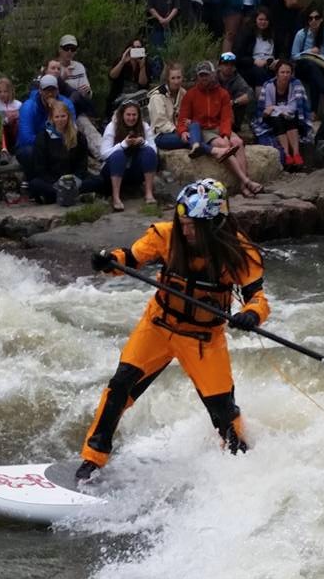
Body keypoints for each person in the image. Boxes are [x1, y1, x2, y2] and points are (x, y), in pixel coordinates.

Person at [75, 177, 271, 481]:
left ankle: (243, 468)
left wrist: (251, 315)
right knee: (120, 387)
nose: (186, 229)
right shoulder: (166, 235)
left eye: (193, 224)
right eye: (183, 222)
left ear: (215, 224)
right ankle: (93, 460)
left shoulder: (239, 252)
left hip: (203, 339)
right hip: (158, 325)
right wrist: (108, 260)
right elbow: (130, 259)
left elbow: (257, 298)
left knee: (223, 411)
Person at [176, 60, 263, 197]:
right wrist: (183, 131)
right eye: (201, 75)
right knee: (223, 145)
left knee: (238, 143)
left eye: (206, 75)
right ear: (197, 77)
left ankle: (242, 185)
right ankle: (246, 181)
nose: (204, 78)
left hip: (219, 126)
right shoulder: (191, 94)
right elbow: (182, 118)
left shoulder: (222, 93)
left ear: (212, 74)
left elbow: (226, 118)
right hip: (204, 129)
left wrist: (225, 134)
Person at [31, 100, 102, 205]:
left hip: (73, 179)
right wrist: (57, 182)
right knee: (34, 184)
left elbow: (82, 163)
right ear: (52, 118)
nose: (60, 120)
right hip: (53, 181)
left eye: (63, 116)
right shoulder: (43, 137)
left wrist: (75, 180)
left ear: (68, 116)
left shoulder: (78, 136)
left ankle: (65, 194)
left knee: (99, 180)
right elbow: (40, 167)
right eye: (57, 117)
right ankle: (67, 194)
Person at [252, 58, 312, 170]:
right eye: (282, 72)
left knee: (290, 119)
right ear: (277, 73)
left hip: (288, 116)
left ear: (291, 73)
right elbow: (267, 108)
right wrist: (278, 109)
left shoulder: (295, 85)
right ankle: (287, 154)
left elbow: (293, 107)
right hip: (272, 118)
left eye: (288, 72)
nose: (285, 75)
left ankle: (296, 154)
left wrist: (275, 108)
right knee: (278, 120)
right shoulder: (269, 86)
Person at [16, 73, 75, 182]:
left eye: (53, 90)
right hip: (35, 145)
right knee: (27, 152)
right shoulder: (28, 107)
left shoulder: (66, 104)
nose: (50, 94)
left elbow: (71, 130)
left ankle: (67, 182)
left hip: (58, 143)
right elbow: (26, 138)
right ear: (40, 91)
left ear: (57, 90)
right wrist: (47, 143)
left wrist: (56, 110)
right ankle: (35, 182)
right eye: (47, 90)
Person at [101, 99, 157, 211]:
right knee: (118, 155)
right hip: (112, 170)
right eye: (128, 115)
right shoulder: (112, 126)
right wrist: (123, 145)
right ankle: (116, 198)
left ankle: (149, 193)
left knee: (148, 151)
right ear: (122, 114)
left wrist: (143, 143)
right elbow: (103, 154)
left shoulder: (144, 126)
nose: (131, 118)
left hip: (135, 170)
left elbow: (154, 151)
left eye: (134, 115)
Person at [291, 7, 324, 116]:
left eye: (316, 18)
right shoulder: (301, 34)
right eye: (310, 18)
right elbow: (294, 55)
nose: (313, 21)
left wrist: (319, 57)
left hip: (321, 66)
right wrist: (309, 52)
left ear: (321, 19)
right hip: (303, 67)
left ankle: (313, 112)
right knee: (311, 66)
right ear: (307, 20)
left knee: (314, 74)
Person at [233, 5, 277, 88]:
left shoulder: (273, 35)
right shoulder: (246, 34)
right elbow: (238, 56)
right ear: (255, 20)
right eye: (261, 19)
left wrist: (277, 61)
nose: (263, 22)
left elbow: (281, 51)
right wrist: (254, 61)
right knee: (260, 73)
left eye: (266, 20)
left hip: (270, 64)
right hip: (251, 65)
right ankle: (261, 99)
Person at [148, 61, 188, 150]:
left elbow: (188, 114)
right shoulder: (157, 97)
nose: (176, 81)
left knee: (197, 133)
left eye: (179, 77)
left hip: (180, 130)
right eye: (173, 78)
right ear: (167, 79)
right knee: (189, 139)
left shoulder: (183, 93)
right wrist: (179, 131)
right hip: (162, 135)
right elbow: (161, 123)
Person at [107, 37, 151, 115]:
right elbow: (112, 76)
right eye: (133, 47)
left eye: (138, 48)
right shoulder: (121, 60)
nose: (136, 50)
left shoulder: (144, 63)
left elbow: (143, 83)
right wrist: (122, 62)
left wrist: (142, 67)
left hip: (138, 96)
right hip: (121, 95)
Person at [216, 51, 254, 133]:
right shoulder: (212, 78)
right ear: (219, 66)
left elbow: (249, 94)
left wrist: (233, 102)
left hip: (232, 115)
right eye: (226, 64)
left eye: (231, 65)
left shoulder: (238, 79)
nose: (229, 67)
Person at [0, 76, 22, 162]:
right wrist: (7, 119)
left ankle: (19, 148)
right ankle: (4, 151)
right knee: (0, 125)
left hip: (14, 133)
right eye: (0, 92)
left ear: (10, 91)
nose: (2, 94)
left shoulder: (18, 104)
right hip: (2, 132)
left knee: (18, 122)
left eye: (5, 91)